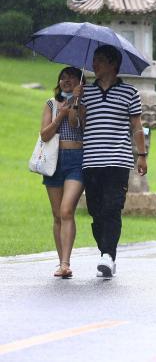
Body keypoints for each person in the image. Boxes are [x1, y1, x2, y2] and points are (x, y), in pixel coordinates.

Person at [74, 45, 148, 279]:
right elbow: (78, 124)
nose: (95, 65)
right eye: (94, 60)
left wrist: (142, 155)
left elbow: (137, 126)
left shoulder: (129, 93)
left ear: (113, 65)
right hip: (92, 160)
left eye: (100, 61)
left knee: (112, 208)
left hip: (118, 160)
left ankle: (108, 256)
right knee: (96, 211)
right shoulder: (86, 92)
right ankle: (106, 253)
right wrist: (77, 101)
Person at [40, 67, 85, 278]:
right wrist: (60, 116)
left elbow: (76, 123)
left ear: (79, 81)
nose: (66, 81)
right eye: (63, 77)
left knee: (67, 210)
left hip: (76, 160)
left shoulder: (84, 104)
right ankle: (61, 263)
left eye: (71, 77)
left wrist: (75, 103)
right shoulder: (50, 103)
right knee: (57, 214)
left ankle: (66, 262)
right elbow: (45, 134)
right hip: (54, 161)